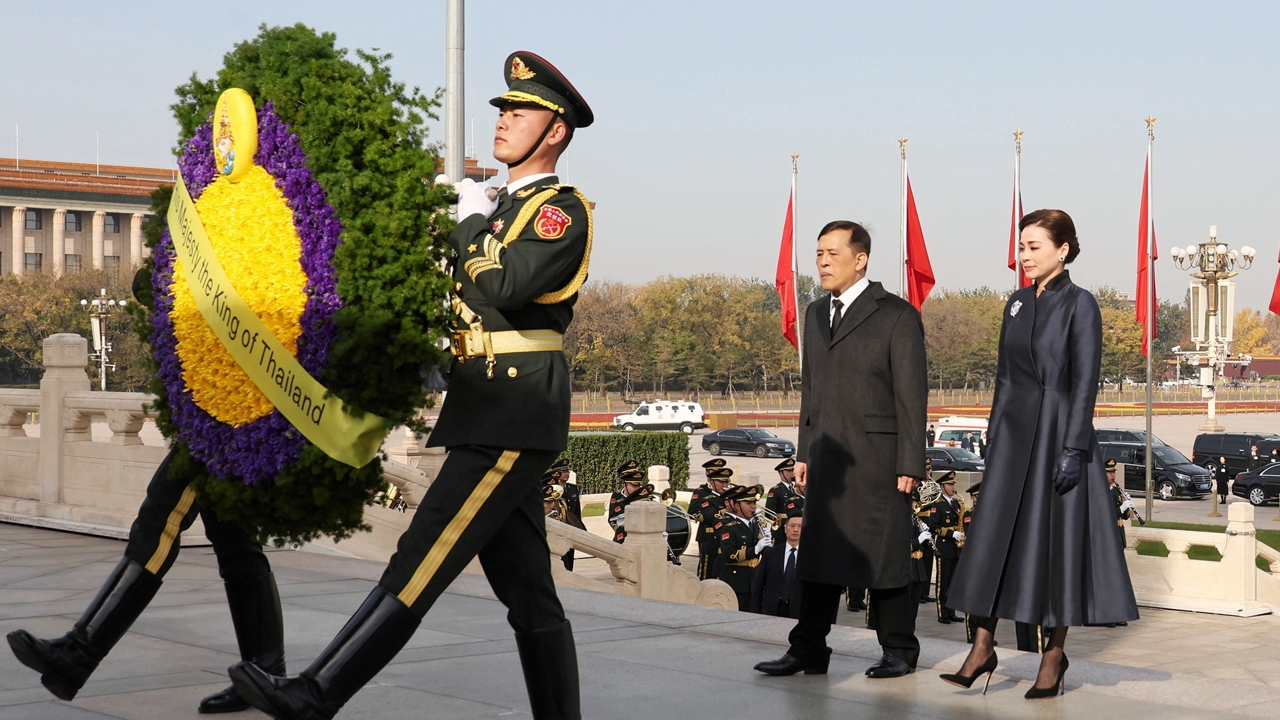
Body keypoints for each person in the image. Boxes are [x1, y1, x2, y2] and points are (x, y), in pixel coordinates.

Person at [230, 51, 593, 720]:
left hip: (514, 410)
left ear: (557, 130)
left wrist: (466, 222)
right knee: (529, 592)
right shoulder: (498, 208)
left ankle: (317, 693)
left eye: (522, 112)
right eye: (504, 110)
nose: (505, 121)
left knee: (420, 557)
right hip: (487, 405)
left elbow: (506, 285)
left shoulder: (559, 213)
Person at [7, 270, 286, 715]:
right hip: (218, 406)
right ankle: (266, 672)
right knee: (235, 543)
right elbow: (145, 285)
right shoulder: (202, 239)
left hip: (231, 409)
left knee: (160, 523)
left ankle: (77, 655)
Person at [942, 209, 1137, 700]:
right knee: (994, 541)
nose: (1024, 255)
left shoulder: (1081, 304)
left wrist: (1073, 448)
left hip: (1059, 438)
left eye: (1034, 247)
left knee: (1056, 548)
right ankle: (982, 646)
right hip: (1013, 438)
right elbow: (1005, 378)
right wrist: (992, 432)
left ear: (1063, 249)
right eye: (1021, 247)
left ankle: (1053, 657)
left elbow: (1084, 383)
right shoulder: (1016, 303)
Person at [754, 219, 928, 680]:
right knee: (818, 556)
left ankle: (899, 650)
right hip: (828, 457)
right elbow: (811, 390)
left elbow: (912, 396)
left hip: (880, 460)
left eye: (833, 254)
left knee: (885, 555)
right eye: (818, 254)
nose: (823, 262)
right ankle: (808, 647)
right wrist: (804, 452)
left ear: (861, 259)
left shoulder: (896, 314)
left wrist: (911, 460)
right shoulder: (815, 313)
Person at [714, 484, 770, 611]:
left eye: (754, 503)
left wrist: (767, 543)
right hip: (737, 581)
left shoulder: (756, 524)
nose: (753, 507)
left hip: (754, 579)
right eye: (748, 503)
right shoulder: (729, 527)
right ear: (737, 506)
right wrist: (756, 549)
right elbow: (729, 555)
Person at [926, 472, 964, 624]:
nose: (953, 487)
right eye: (950, 485)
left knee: (952, 583)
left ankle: (951, 611)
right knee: (943, 582)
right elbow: (933, 526)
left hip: (955, 548)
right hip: (944, 547)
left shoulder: (956, 503)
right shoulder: (937, 505)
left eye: (954, 484)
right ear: (942, 487)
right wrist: (950, 533)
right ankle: (943, 613)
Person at [751, 514, 803, 618]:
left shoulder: (811, 556)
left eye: (800, 526)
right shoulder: (771, 554)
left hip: (800, 611)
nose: (796, 530)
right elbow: (759, 585)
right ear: (785, 529)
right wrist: (755, 612)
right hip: (773, 609)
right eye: (792, 526)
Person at [690, 458, 733, 579]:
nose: (725, 485)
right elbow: (693, 511)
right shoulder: (702, 492)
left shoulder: (729, 497)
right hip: (708, 534)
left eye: (726, 482)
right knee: (707, 568)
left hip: (725, 535)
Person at [608, 460, 654, 543]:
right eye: (633, 485)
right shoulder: (617, 497)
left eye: (638, 485)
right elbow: (613, 519)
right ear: (625, 485)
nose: (636, 488)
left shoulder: (644, 496)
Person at [765, 458, 802, 544]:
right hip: (781, 529)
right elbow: (769, 512)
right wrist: (783, 522)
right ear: (781, 473)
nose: (792, 473)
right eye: (788, 471)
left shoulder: (796, 489)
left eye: (792, 470)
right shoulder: (775, 490)